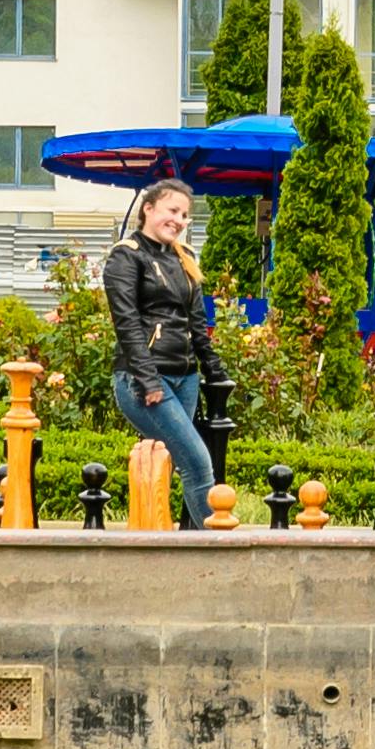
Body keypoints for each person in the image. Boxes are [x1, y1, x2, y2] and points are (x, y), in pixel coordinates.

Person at [104, 180, 223, 526]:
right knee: (198, 463)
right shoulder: (126, 255)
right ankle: (220, 544)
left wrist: (215, 371)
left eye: (185, 215)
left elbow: (197, 323)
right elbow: (126, 323)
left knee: (173, 464)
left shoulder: (184, 258)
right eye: (173, 211)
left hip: (184, 377)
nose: (179, 220)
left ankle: (161, 539)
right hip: (142, 380)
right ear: (149, 209)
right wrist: (148, 381)